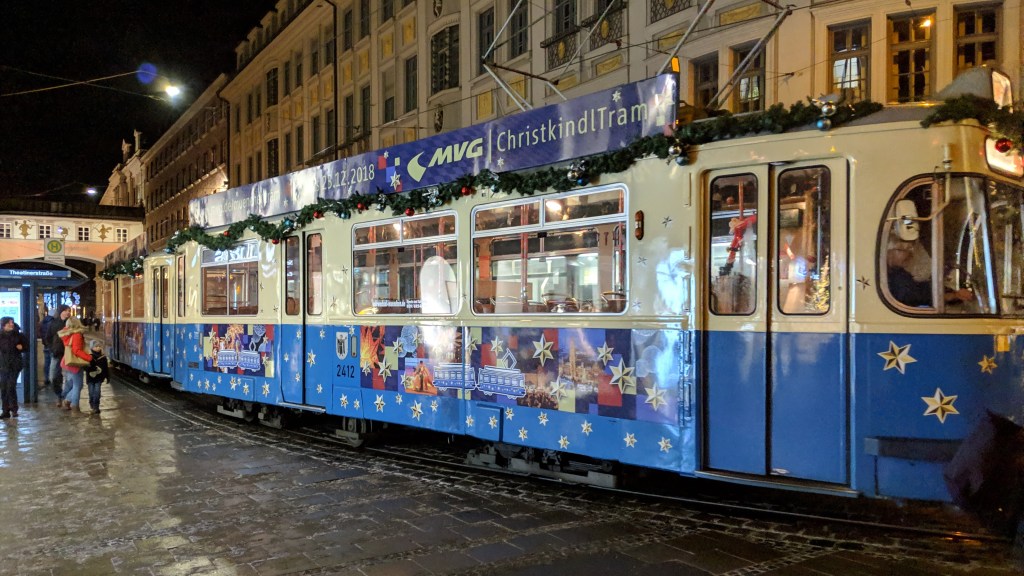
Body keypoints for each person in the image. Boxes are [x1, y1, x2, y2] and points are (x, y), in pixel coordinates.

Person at [58, 316, 91, 413]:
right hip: (75, 363)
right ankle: (74, 405)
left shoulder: (65, 334)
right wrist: (89, 358)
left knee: (72, 384)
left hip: (68, 362)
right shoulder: (77, 335)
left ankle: (66, 400)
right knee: (78, 385)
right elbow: (76, 351)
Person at [0, 317, 29, 419]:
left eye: (12, 322)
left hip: (15, 365)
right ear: (4, 325)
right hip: (3, 365)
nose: (11, 324)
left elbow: (26, 347)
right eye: (9, 323)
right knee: (3, 387)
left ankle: (14, 409)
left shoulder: (18, 335)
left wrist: (22, 348)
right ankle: (5, 410)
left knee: (11, 386)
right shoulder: (1, 336)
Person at [45, 304, 71, 403]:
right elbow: (47, 338)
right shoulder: (53, 323)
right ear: (61, 312)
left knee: (69, 378)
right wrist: (52, 348)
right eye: (65, 310)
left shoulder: (71, 323)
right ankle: (59, 394)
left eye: (69, 310)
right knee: (53, 377)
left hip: (68, 354)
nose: (68, 312)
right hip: (56, 354)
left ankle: (65, 398)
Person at [85, 340, 108, 415]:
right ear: (92, 347)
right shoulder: (89, 357)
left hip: (99, 378)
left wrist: (107, 376)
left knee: (97, 393)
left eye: (99, 346)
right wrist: (91, 368)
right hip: (90, 379)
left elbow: (105, 368)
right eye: (96, 346)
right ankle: (92, 404)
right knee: (91, 393)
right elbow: (85, 367)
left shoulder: (103, 357)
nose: (98, 348)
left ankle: (96, 407)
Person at [38, 309, 54, 390]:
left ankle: (47, 378)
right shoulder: (53, 323)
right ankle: (52, 379)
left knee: (47, 363)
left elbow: (40, 333)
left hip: (45, 345)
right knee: (53, 363)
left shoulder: (43, 322)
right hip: (52, 345)